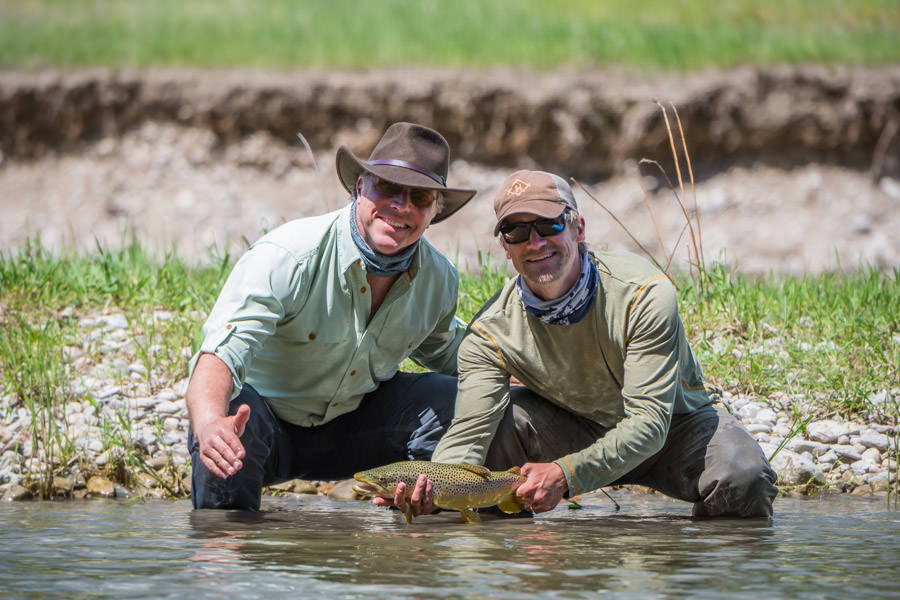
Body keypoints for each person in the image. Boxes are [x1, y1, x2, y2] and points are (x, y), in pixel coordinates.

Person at [395, 169, 777, 519]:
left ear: (578, 228)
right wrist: (435, 488)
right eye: (517, 232)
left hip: (674, 427)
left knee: (744, 478)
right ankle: (512, 564)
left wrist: (566, 474)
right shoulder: (488, 334)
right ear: (506, 248)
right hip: (569, 427)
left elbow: (649, 423)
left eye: (549, 224)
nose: (535, 241)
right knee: (494, 439)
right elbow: (469, 434)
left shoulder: (644, 295)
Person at [185, 122, 477, 510]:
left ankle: (422, 521)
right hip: (264, 430)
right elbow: (219, 357)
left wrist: (534, 379)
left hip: (358, 431)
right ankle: (222, 551)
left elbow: (457, 354)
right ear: (360, 187)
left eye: (420, 196)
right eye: (387, 187)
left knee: (456, 399)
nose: (401, 206)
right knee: (228, 415)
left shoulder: (439, 279)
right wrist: (208, 424)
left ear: (434, 211)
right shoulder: (289, 255)